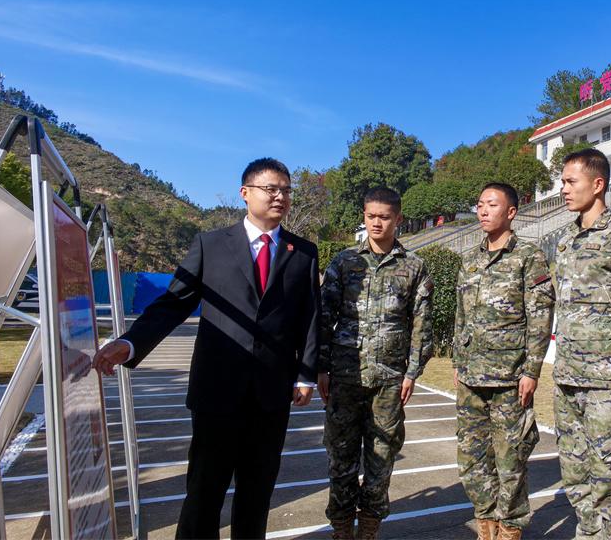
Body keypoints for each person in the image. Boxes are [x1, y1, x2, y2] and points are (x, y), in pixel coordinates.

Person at [92, 158, 321, 539]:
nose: (280, 196)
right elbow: (174, 303)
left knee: (257, 491)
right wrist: (130, 342)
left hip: (270, 393)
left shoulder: (304, 252)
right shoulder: (211, 245)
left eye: (286, 190)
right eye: (271, 189)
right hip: (217, 390)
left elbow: (309, 316)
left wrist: (306, 374)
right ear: (245, 193)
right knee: (204, 490)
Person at [318, 187, 433, 540]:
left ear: (398, 219)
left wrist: (412, 372)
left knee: (381, 460)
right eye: (371, 216)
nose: (377, 223)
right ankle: (341, 529)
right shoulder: (344, 262)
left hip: (389, 379)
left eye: (384, 217)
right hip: (345, 376)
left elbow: (421, 323)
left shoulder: (413, 266)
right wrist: (321, 367)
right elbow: (324, 316)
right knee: (340, 459)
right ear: (364, 217)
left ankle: (369, 528)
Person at [552, 148, 611, 540]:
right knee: (576, 478)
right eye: (562, 181)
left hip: (605, 383)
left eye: (570, 181)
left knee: (610, 481)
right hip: (567, 377)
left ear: (597, 184)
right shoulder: (565, 240)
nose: (563, 189)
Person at [453, 183, 555, 540]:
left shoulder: (528, 256)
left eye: (492, 205)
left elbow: (540, 316)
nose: (483, 211)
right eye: (480, 204)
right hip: (471, 377)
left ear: (511, 212)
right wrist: (458, 362)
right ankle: (486, 524)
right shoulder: (469, 259)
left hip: (510, 378)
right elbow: (461, 315)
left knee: (510, 460)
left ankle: (510, 528)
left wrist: (532, 370)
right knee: (472, 459)